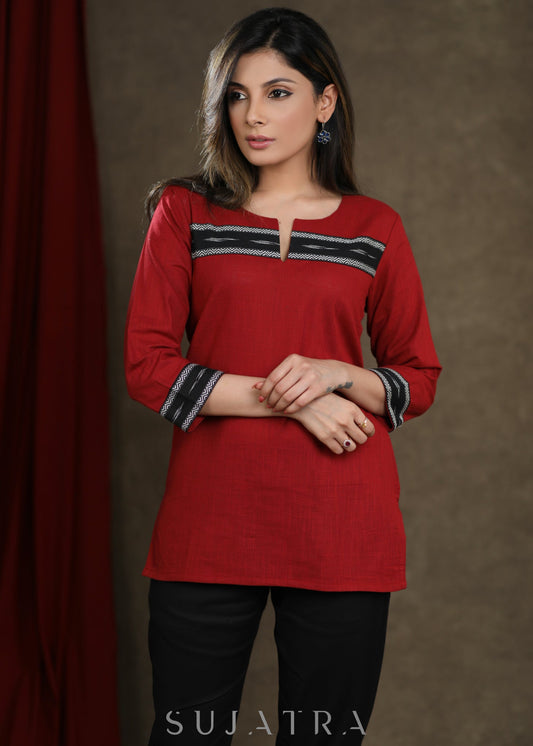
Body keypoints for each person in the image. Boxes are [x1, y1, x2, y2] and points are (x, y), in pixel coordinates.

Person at [124, 7, 441, 745]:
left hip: (342, 523)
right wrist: (298, 401)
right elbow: (147, 366)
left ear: (325, 103)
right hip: (209, 522)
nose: (252, 115)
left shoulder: (375, 227)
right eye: (236, 95)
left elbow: (417, 377)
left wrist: (337, 373)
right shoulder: (184, 212)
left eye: (277, 92)